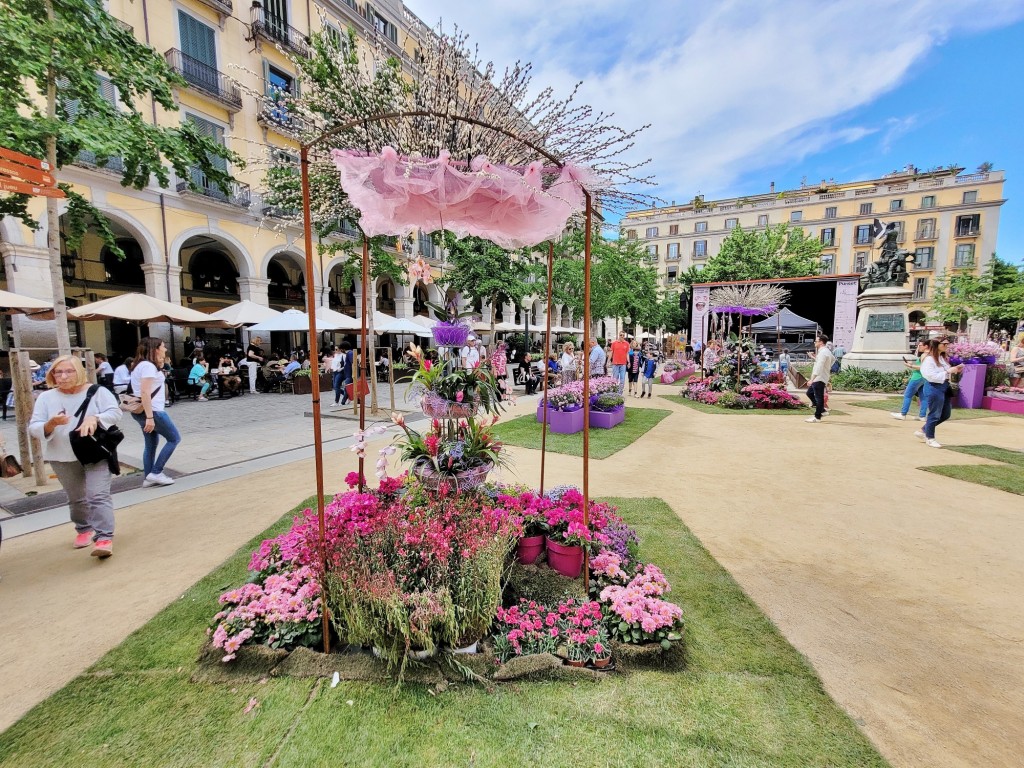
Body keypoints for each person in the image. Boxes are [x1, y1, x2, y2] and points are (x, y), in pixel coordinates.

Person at [28, 355, 122, 558]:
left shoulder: (97, 392)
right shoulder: (46, 397)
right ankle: (83, 528)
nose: (63, 376)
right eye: (58, 372)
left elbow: (114, 412)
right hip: (61, 455)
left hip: (94, 453)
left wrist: (95, 418)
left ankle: (104, 537)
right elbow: (34, 427)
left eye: (68, 371)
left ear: (78, 372)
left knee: (97, 495)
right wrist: (50, 424)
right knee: (77, 498)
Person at [129, 337, 180, 486]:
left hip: (142, 411)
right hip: (153, 411)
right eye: (163, 347)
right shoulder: (147, 367)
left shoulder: (141, 365)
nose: (165, 349)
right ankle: (156, 472)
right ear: (155, 349)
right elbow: (145, 392)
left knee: (151, 444)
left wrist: (161, 365)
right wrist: (150, 417)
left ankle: (148, 477)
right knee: (174, 438)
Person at [919, 338, 963, 448]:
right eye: (944, 344)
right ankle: (930, 437)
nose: (946, 346)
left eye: (947, 344)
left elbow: (946, 372)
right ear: (936, 345)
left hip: (944, 387)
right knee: (934, 413)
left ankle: (924, 430)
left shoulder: (942, 358)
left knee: (945, 414)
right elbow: (930, 376)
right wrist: (948, 371)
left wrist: (956, 370)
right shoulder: (929, 359)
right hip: (934, 387)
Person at [891, 340, 929, 421]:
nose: (919, 347)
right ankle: (922, 416)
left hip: (917, 377)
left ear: (926, 346)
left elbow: (922, 367)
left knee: (908, 395)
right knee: (923, 397)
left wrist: (910, 365)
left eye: (921, 345)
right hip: (924, 378)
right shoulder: (930, 355)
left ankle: (903, 414)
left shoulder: (924, 355)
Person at [805, 334, 836, 423]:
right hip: (821, 377)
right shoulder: (826, 351)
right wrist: (814, 358)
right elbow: (832, 360)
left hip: (819, 378)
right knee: (809, 393)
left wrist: (812, 379)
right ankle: (822, 410)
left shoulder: (823, 352)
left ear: (821, 342)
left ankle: (817, 417)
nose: (815, 342)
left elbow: (819, 366)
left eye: (816, 341)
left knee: (819, 398)